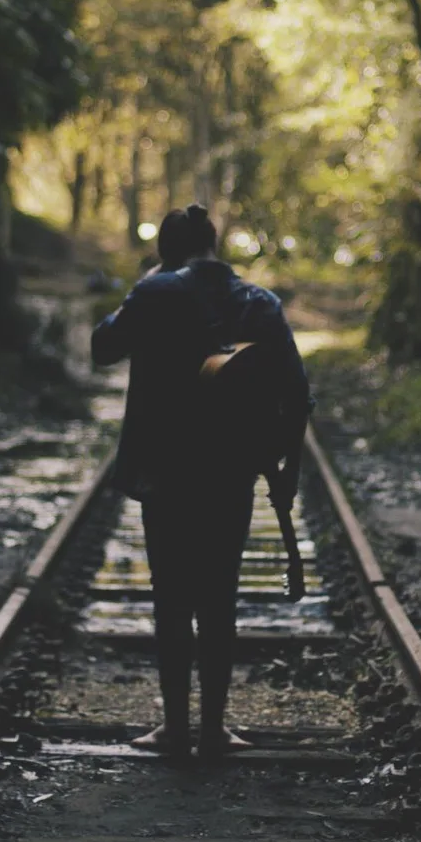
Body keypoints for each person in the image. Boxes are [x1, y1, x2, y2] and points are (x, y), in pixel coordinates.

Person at [91, 204, 310, 758]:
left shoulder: (155, 294)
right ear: (216, 246)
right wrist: (289, 475)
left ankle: (173, 729)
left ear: (167, 252)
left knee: (171, 598)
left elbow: (101, 348)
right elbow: (298, 393)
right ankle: (214, 729)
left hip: (164, 472)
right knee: (219, 598)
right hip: (229, 473)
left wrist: (142, 287)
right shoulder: (260, 303)